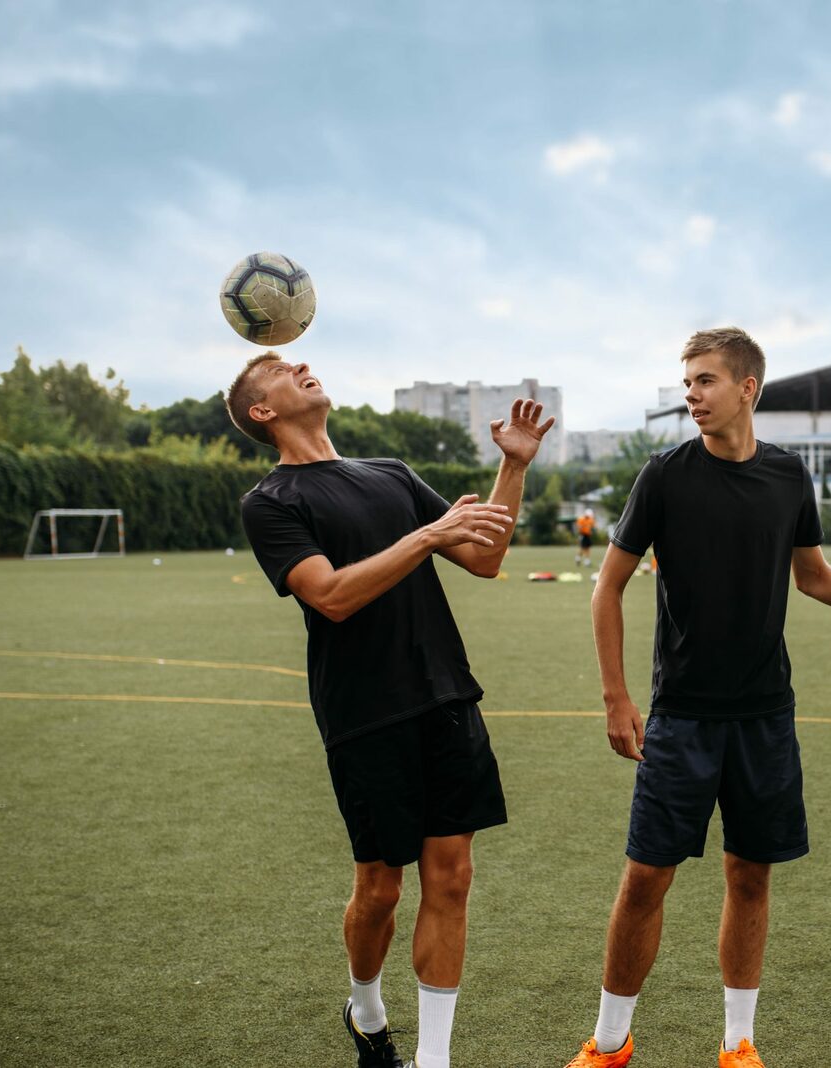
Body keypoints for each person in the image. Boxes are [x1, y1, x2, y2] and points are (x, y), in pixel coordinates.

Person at [568, 327, 831, 1068]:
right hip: (682, 717)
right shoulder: (663, 476)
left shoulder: (788, 476)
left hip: (764, 717)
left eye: (705, 380)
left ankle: (737, 1044)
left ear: (747, 388)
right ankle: (610, 1044)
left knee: (750, 875)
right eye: (686, 381)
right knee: (644, 879)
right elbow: (608, 587)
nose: (691, 394)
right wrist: (615, 697)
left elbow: (812, 576)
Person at [228, 352, 554, 1068]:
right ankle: (366, 1008)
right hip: (364, 712)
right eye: (285, 368)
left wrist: (515, 467)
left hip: (446, 694)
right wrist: (425, 537)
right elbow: (332, 595)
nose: (306, 365)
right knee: (381, 887)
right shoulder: (271, 501)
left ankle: (433, 1061)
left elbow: (487, 555)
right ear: (263, 412)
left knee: (453, 876)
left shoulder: (391, 474)